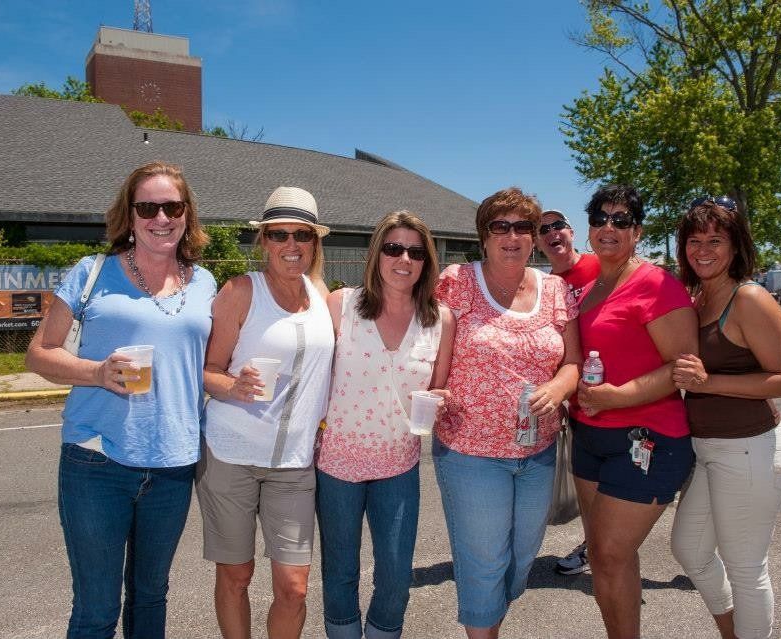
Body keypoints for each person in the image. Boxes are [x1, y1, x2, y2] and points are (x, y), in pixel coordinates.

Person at [25, 161, 217, 639]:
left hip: (173, 463)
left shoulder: (206, 284)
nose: (160, 217)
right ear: (129, 216)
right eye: (147, 207)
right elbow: (39, 353)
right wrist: (95, 371)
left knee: (151, 598)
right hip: (97, 461)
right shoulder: (92, 273)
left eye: (171, 206)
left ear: (187, 213)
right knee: (96, 609)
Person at [434, 187, 582, 639]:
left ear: (535, 237)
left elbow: (573, 363)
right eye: (501, 226)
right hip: (469, 453)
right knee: (485, 564)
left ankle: (493, 612)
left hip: (536, 452)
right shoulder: (457, 280)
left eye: (523, 227)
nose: (513, 235)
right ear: (485, 235)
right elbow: (425, 345)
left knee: (520, 561)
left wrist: (558, 387)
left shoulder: (556, 289)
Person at [195, 186, 334, 639]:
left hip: (294, 464)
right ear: (264, 241)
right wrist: (233, 387)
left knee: (294, 587)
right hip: (231, 455)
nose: (291, 246)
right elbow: (207, 371)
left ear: (315, 242)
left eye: (302, 235)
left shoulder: (321, 295)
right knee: (236, 575)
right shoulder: (239, 291)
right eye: (279, 235)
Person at [315, 211, 456, 639]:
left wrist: (443, 400)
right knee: (340, 572)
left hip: (398, 464)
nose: (404, 259)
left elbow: (439, 387)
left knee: (395, 577)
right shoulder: (342, 305)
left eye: (415, 251)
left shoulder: (440, 320)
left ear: (426, 261)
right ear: (377, 254)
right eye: (394, 248)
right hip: (337, 464)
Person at [671, 196, 781, 639]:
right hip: (708, 451)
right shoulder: (699, 296)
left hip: (752, 449)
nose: (703, 250)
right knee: (690, 550)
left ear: (735, 245)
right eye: (694, 240)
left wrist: (706, 383)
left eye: (715, 240)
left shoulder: (748, 297)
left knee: (746, 567)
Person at [571, 184, 698, 639]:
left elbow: (684, 368)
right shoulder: (587, 288)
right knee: (610, 559)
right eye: (601, 218)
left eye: (621, 220)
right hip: (588, 438)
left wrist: (616, 397)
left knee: (607, 554)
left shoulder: (657, 284)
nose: (609, 227)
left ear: (637, 231)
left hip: (647, 439)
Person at [536, 207, 600, 576]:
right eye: (543, 229)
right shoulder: (548, 287)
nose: (552, 232)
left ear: (571, 231)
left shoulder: (600, 267)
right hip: (578, 405)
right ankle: (594, 546)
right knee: (587, 487)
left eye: (558, 225)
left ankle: (606, 551)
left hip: (618, 397)